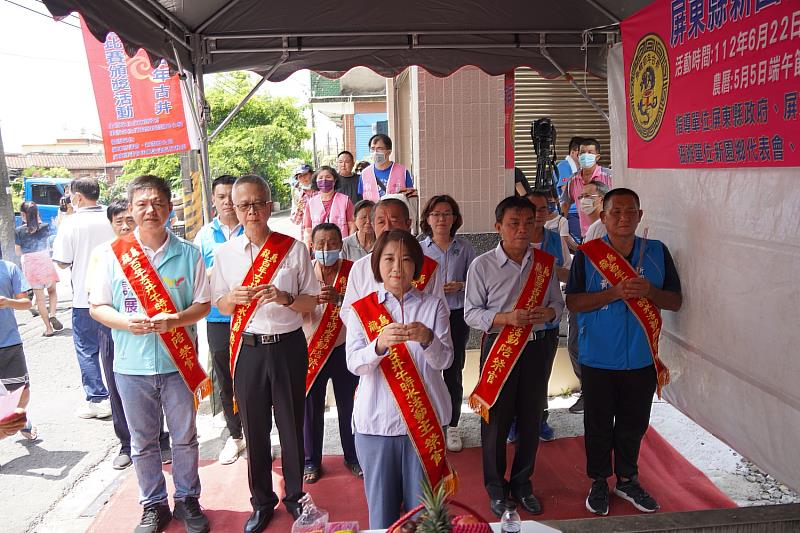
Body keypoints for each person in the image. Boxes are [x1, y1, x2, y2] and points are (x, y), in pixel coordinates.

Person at [89, 175, 211, 533]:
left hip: (178, 364)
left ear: (170, 208)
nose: (150, 210)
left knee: (185, 437)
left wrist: (176, 319)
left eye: (158, 203)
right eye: (142, 204)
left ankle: (188, 498)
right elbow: (98, 307)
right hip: (130, 366)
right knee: (142, 442)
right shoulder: (113, 256)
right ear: (130, 209)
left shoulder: (189, 254)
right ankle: (154, 504)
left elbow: (202, 304)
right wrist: (127, 323)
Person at [211, 174, 318, 532]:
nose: (252, 211)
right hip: (248, 350)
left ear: (270, 205)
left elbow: (310, 303)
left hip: (288, 347)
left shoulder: (294, 249)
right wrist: (233, 298)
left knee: (291, 428)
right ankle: (261, 502)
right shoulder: (224, 254)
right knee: (255, 431)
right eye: (244, 205)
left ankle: (295, 498)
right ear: (234, 210)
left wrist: (285, 298)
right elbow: (220, 304)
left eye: (258, 203)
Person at [566, 188, 682, 516]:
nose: (623, 218)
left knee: (634, 423)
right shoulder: (588, 255)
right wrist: (614, 293)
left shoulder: (658, 252)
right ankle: (600, 480)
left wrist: (650, 292)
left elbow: (675, 301)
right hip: (597, 357)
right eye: (615, 212)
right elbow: (573, 302)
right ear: (603, 217)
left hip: (642, 357)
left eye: (630, 211)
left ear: (640, 216)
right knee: (599, 423)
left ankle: (628, 479)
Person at [346, 229, 454, 529]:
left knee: (426, 515)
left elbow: (445, 360)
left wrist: (428, 338)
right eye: (389, 259)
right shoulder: (361, 310)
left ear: (417, 266)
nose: (397, 268)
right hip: (376, 425)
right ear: (377, 264)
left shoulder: (433, 306)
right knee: (383, 516)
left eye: (406, 260)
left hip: (425, 420)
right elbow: (354, 364)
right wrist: (378, 346)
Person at [464, 195, 564, 518]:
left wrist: (546, 311)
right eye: (514, 223)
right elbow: (471, 313)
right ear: (498, 227)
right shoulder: (482, 265)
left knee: (531, 418)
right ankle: (496, 489)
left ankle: (522, 484)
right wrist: (507, 318)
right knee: (495, 420)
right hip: (499, 349)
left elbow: (558, 307)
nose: (522, 229)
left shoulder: (545, 264)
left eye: (528, 223)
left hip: (536, 348)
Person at [89, 199, 172, 470]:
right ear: (111, 224)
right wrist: (123, 322)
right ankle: (126, 444)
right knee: (117, 388)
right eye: (118, 221)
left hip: (155, 330)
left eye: (129, 219)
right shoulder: (105, 253)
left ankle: (161, 439)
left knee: (156, 384)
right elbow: (97, 302)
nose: (125, 226)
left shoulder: (152, 250)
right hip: (116, 329)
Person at [193, 174, 247, 465]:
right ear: (213, 201)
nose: (227, 202)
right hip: (217, 319)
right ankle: (236, 435)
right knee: (225, 380)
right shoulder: (203, 236)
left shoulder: (251, 230)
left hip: (251, 318)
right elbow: (199, 280)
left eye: (231, 196)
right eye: (222, 197)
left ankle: (257, 432)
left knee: (252, 378)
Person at [51, 177, 115, 420]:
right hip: (115, 297)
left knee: (87, 350)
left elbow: (62, 260)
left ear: (77, 197)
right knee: (115, 347)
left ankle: (98, 399)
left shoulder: (71, 223)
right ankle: (119, 393)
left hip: (84, 299)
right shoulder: (112, 215)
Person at [302, 223, 361, 484]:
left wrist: (339, 299)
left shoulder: (353, 271)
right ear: (312, 246)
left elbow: (363, 308)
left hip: (343, 347)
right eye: (321, 244)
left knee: (349, 405)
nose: (327, 249)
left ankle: (353, 456)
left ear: (341, 244)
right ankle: (311, 461)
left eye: (333, 243)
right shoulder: (303, 272)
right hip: (311, 348)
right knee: (311, 409)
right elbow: (292, 308)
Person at [419, 195, 476, 453]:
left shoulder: (464, 248)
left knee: (453, 370)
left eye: (446, 214)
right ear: (427, 219)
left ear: (455, 218)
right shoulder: (419, 250)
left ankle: (452, 425)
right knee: (426, 369)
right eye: (436, 214)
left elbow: (476, 283)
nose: (441, 219)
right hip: (427, 317)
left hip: (456, 314)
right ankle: (428, 422)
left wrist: (460, 286)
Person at [340, 197, 445, 327]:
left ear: (408, 224)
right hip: (373, 343)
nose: (388, 227)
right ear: (373, 225)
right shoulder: (360, 267)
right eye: (381, 222)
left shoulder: (427, 266)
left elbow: (441, 311)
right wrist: (374, 341)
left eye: (394, 221)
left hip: (416, 343)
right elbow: (348, 311)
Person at [527, 192, 572, 442]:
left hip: (548, 319)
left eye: (544, 208)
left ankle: (540, 419)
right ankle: (514, 421)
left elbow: (568, 274)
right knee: (516, 375)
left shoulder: (555, 240)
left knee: (542, 372)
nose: (539, 213)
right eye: (533, 208)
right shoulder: (515, 239)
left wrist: (550, 271)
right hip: (518, 322)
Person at [565, 180, 609, 415]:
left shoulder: (600, 228)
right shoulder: (591, 227)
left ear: (602, 200)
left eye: (588, 196)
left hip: (592, 299)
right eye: (581, 196)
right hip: (588, 297)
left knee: (578, 346)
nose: (582, 201)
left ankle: (591, 393)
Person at [0, 259, 38, 441]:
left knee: (21, 393)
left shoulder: (8, 268)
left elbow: (27, 303)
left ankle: (19, 420)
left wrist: (8, 302)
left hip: (9, 342)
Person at [15, 201, 61, 337]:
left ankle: (48, 328)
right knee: (52, 291)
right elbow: (47, 244)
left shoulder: (19, 231)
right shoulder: (45, 227)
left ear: (23, 214)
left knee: (40, 300)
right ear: (37, 213)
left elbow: (17, 252)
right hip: (44, 260)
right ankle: (52, 314)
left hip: (30, 264)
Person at [560, 138, 612, 240]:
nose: (585, 155)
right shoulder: (573, 180)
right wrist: (563, 231)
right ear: (578, 156)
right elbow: (565, 205)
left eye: (590, 152)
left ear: (597, 157)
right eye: (582, 153)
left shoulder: (609, 176)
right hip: (586, 236)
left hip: (608, 234)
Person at [302, 166, 356, 248]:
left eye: (328, 177)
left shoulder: (345, 200)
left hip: (341, 246)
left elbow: (352, 225)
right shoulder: (311, 203)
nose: (324, 180)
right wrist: (307, 249)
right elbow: (308, 229)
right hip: (319, 248)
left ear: (334, 181)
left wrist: (349, 246)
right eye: (320, 178)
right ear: (316, 182)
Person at [357, 134, 416, 201]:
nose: (375, 152)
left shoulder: (402, 172)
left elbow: (411, 196)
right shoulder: (365, 174)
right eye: (372, 149)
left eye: (379, 149)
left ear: (389, 152)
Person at [555, 136, 583, 244]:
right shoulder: (563, 166)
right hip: (571, 212)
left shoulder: (583, 168)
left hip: (584, 211)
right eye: (582, 152)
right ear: (573, 151)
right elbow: (566, 190)